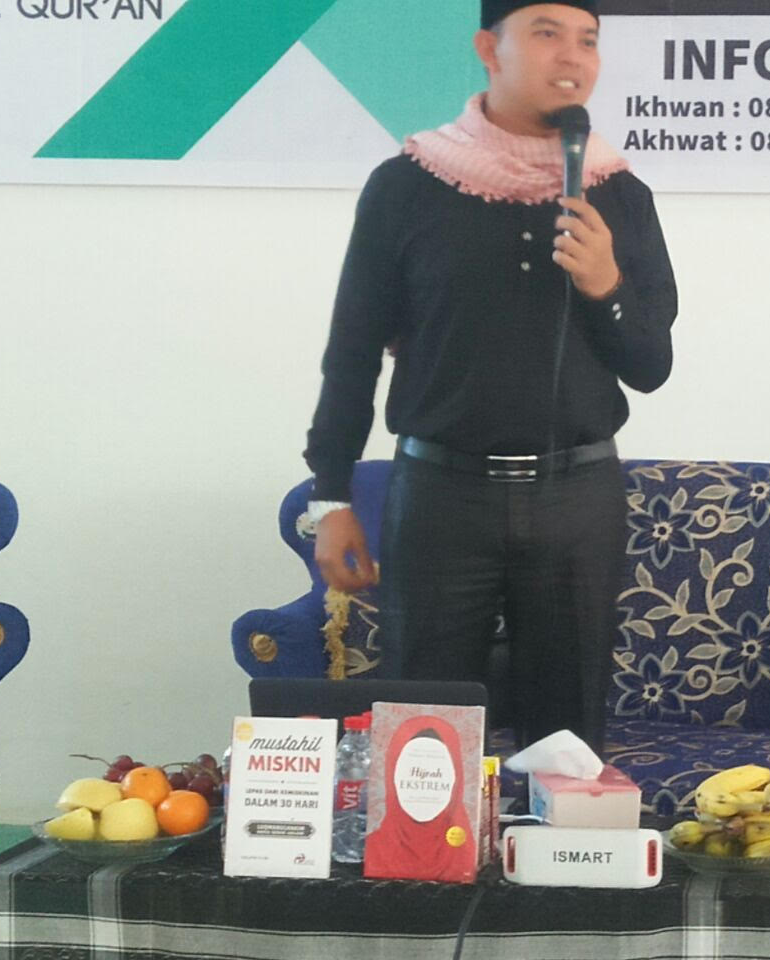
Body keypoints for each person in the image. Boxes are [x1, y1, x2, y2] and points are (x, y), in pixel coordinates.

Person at [303, 0, 678, 756]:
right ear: (488, 47)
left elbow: (651, 366)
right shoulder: (408, 185)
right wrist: (332, 495)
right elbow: (352, 351)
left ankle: (553, 841)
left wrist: (605, 284)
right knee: (422, 738)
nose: (572, 56)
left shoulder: (619, 194)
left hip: (577, 499)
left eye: (588, 40)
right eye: (546, 34)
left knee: (568, 747)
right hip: (442, 500)